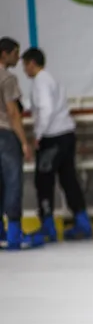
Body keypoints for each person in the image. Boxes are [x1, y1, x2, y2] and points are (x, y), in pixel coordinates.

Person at [21, 47, 93, 242]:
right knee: (68, 179)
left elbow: (46, 108)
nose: (24, 70)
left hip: (52, 137)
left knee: (43, 180)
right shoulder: (51, 79)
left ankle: (47, 227)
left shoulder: (40, 81)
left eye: (24, 65)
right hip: (66, 134)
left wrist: (38, 134)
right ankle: (83, 223)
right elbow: (42, 104)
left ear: (31, 63)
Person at [0, 37, 44, 250]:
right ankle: (15, 234)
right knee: (12, 182)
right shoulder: (7, 78)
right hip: (6, 136)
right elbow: (12, 112)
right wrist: (24, 142)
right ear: (5, 53)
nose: (18, 58)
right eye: (15, 54)